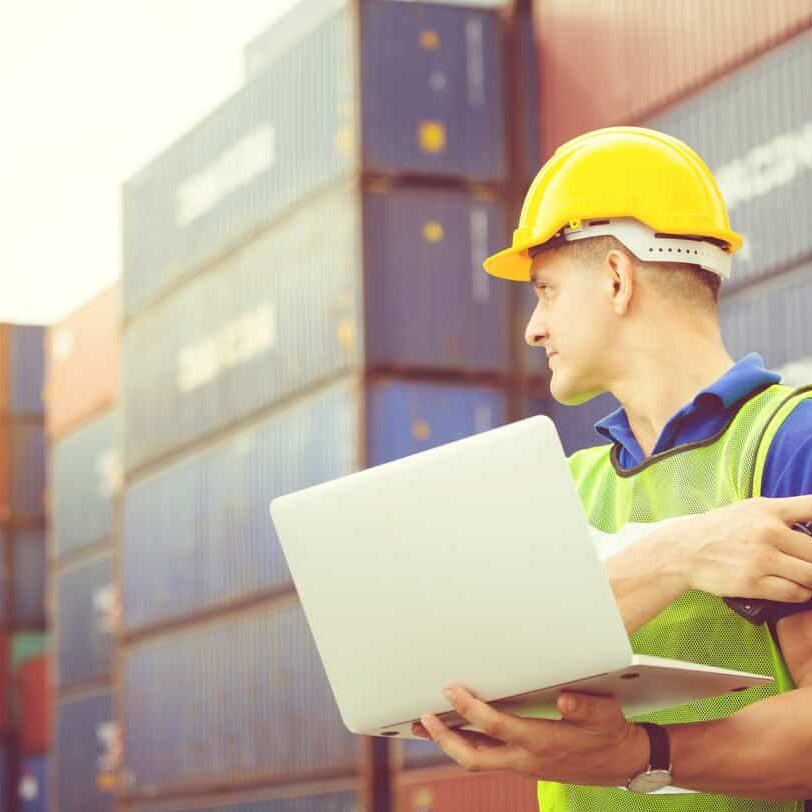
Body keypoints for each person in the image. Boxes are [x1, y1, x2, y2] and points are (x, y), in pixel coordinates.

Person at [412, 127, 812, 811]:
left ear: (618, 278)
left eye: (546, 290)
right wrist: (676, 556)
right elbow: (458, 677)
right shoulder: (564, 485)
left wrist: (642, 755)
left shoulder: (789, 443)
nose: (533, 329)